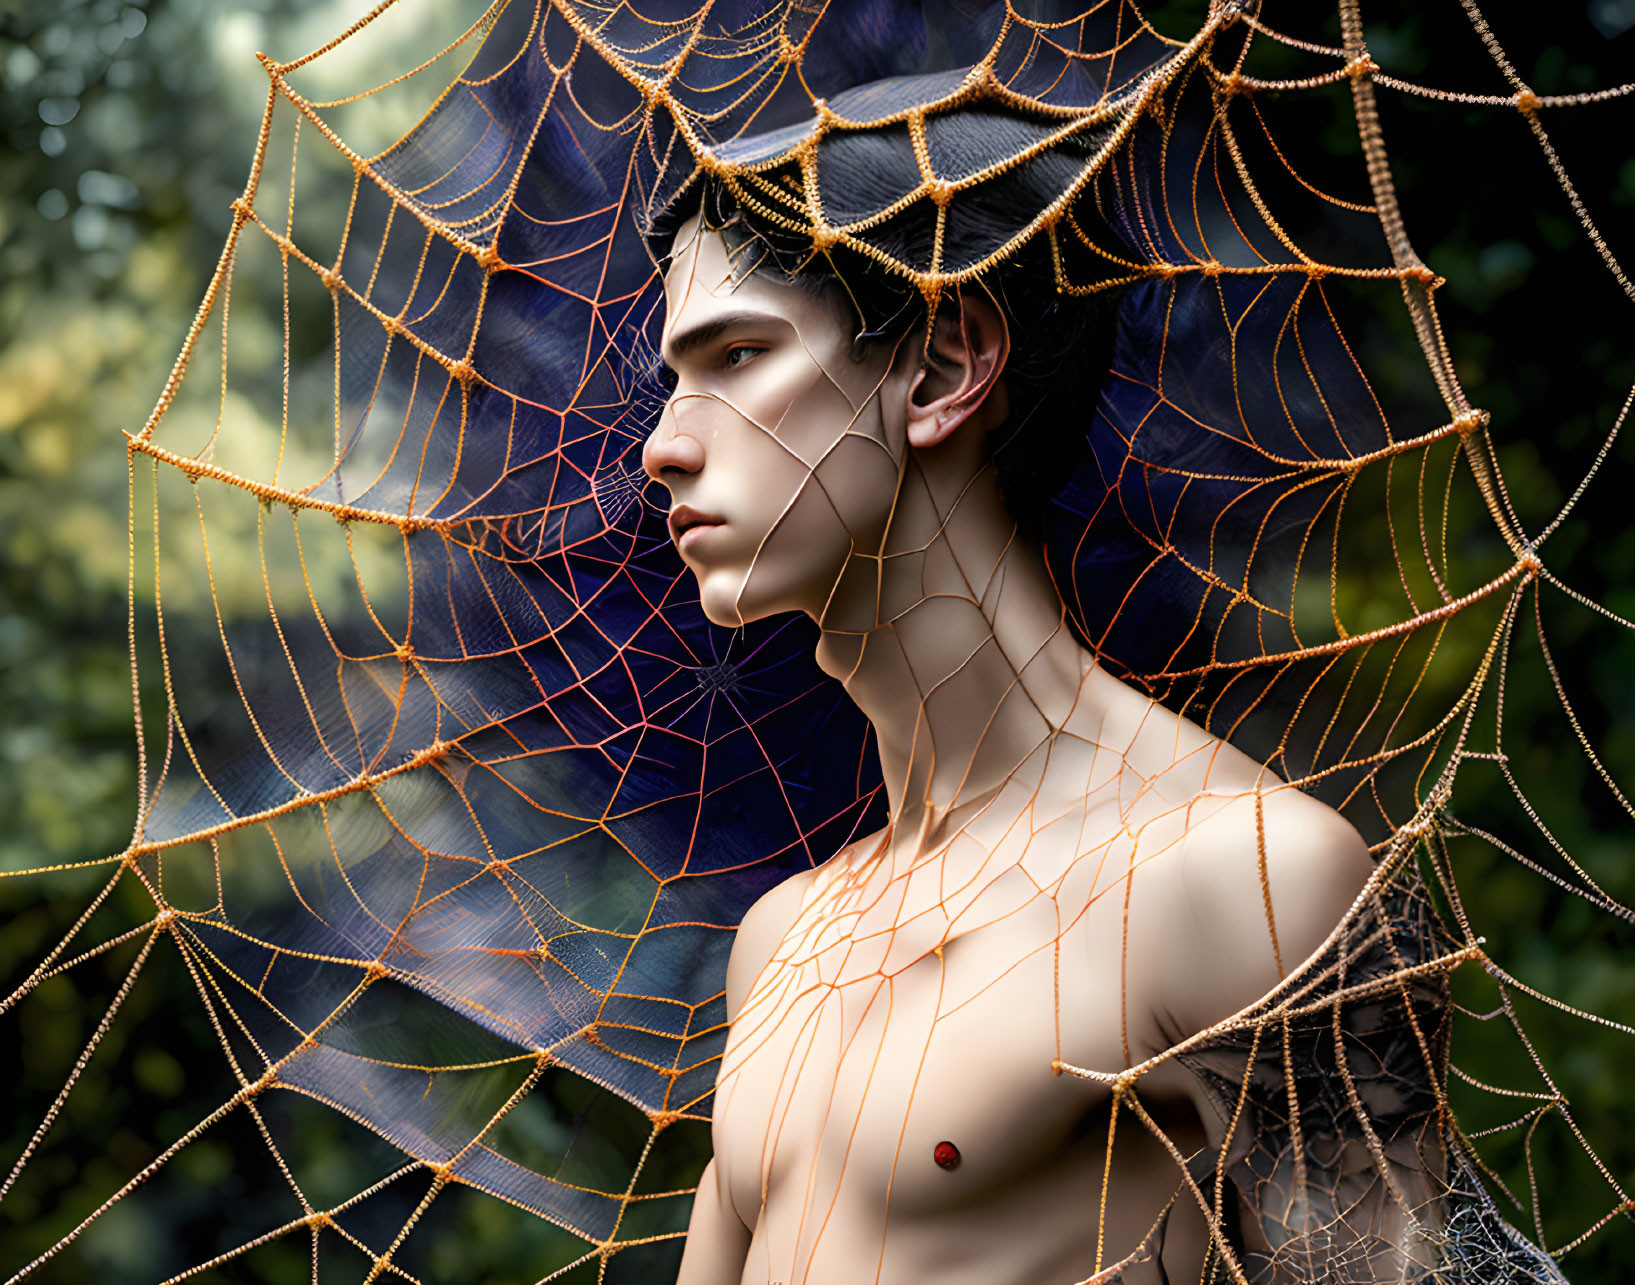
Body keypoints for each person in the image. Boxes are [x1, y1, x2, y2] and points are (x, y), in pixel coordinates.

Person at [642, 156, 1381, 1279]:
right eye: (670, 384)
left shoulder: (1240, 877)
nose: (667, 447)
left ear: (942, 367)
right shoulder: (783, 944)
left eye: (739, 357)